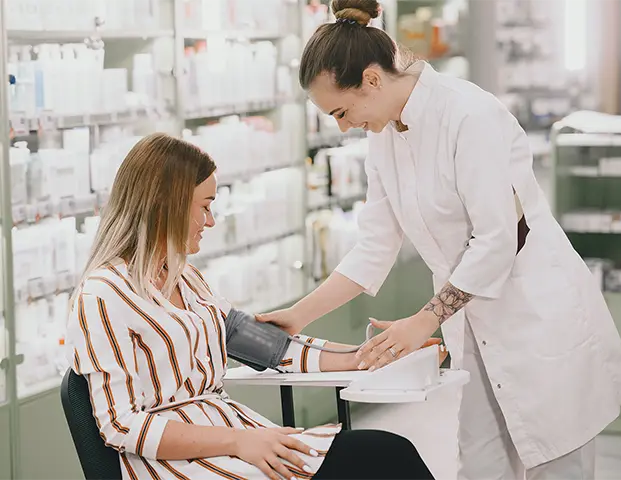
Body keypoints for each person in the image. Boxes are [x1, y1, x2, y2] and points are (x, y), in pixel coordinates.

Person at [256, 1, 621, 479]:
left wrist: (423, 321)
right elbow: (375, 245)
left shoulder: (469, 114)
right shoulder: (383, 138)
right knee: (480, 466)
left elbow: (498, 239)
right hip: (473, 324)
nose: (342, 125)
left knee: (557, 465)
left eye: (342, 110)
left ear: (372, 80)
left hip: (535, 317)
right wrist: (297, 315)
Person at [65, 132, 436, 480]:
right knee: (381, 461)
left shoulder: (186, 278)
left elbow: (272, 347)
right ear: (166, 205)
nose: (210, 221)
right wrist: (239, 441)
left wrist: (377, 354)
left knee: (389, 453)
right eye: (205, 206)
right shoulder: (103, 295)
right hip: (180, 465)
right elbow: (121, 425)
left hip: (239, 440)